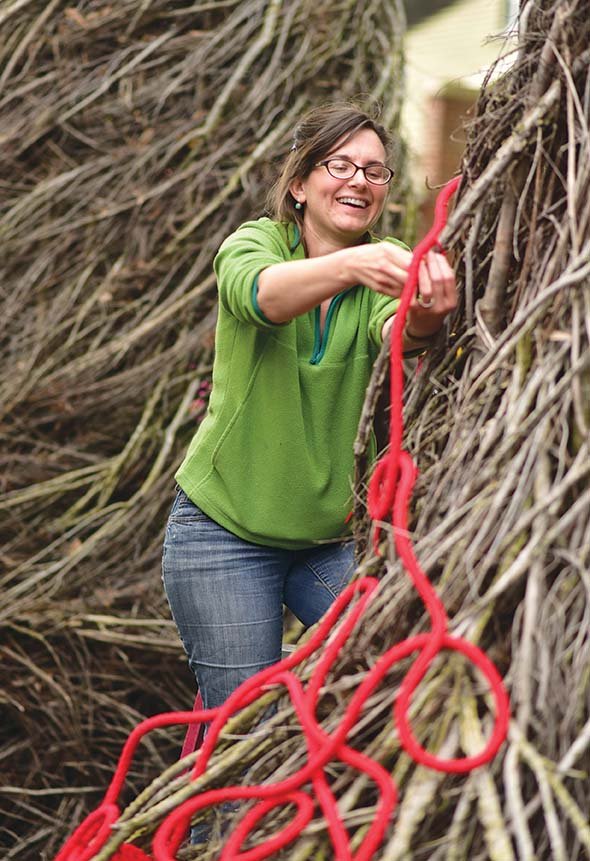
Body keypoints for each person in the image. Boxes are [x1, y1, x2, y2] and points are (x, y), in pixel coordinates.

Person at [161, 103, 457, 719]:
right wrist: (348, 264)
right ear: (299, 184)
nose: (358, 181)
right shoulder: (258, 242)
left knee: (394, 679)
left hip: (329, 538)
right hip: (225, 534)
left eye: (375, 172)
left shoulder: (386, 260)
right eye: (340, 164)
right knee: (244, 730)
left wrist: (431, 304)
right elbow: (259, 296)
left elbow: (401, 335)